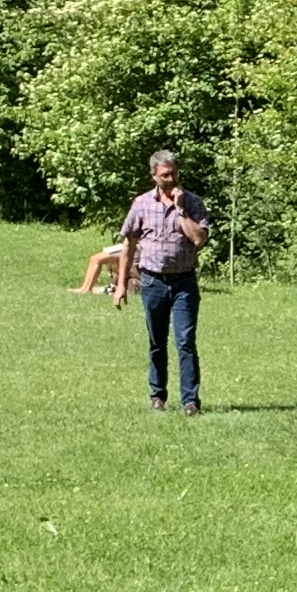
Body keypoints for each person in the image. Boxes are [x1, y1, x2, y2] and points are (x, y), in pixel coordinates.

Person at [119, 148, 209, 411]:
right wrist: (122, 284)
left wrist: (179, 210)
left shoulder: (192, 203)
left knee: (185, 341)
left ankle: (190, 401)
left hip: (184, 283)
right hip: (152, 282)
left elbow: (199, 239)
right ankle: (157, 396)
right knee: (157, 342)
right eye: (164, 175)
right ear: (154, 176)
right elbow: (128, 245)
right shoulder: (142, 204)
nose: (170, 179)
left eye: (174, 174)